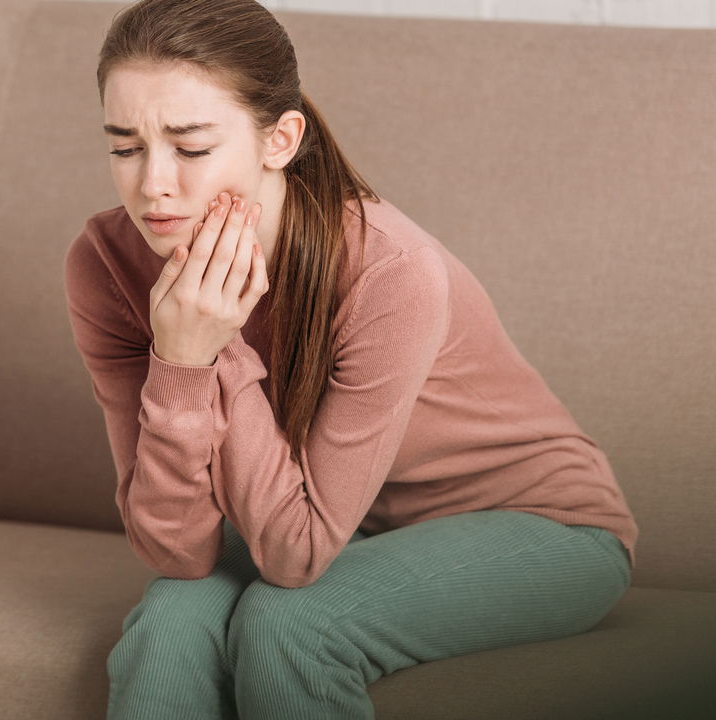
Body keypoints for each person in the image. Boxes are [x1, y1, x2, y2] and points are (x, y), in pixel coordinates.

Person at [60, 1, 639, 718]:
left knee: (289, 624)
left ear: (280, 140)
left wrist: (209, 348)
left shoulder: (391, 271)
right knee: (171, 622)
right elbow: (174, 552)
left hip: (540, 525)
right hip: (341, 517)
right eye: (125, 148)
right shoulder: (104, 263)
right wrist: (180, 367)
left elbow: (295, 555)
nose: (152, 185)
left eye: (192, 147)